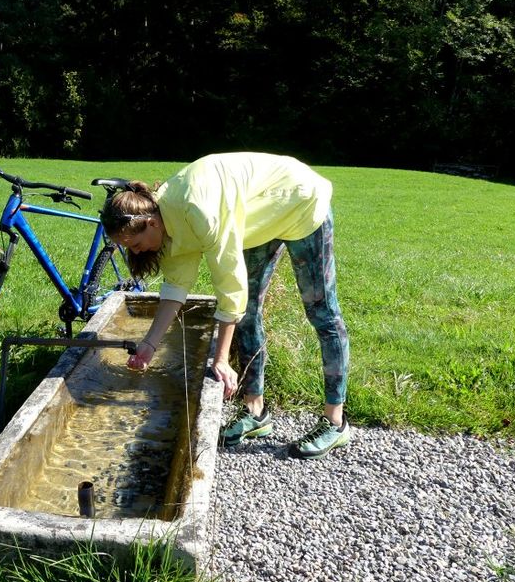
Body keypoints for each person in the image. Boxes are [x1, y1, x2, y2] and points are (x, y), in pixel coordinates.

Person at [99, 152, 350, 459]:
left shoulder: (197, 210)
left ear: (150, 222)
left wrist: (221, 359)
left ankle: (335, 422)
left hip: (299, 202)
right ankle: (255, 411)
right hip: (258, 219)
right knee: (249, 314)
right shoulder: (166, 227)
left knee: (322, 313)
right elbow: (176, 287)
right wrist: (150, 344)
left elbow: (229, 286)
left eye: (136, 246)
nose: (137, 253)